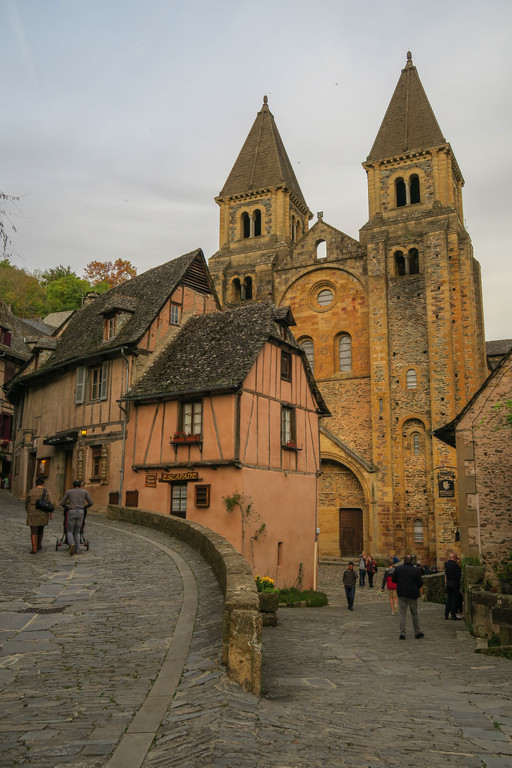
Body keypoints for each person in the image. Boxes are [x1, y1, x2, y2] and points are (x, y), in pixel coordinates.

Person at [392, 554, 424, 640]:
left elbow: (393, 580)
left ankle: (402, 634)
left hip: (402, 594)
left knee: (402, 613)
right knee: (414, 613)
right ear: (412, 561)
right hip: (412, 594)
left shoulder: (398, 569)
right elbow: (420, 582)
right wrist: (415, 587)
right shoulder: (415, 570)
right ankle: (417, 632)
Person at [60, 480, 93, 555]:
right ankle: (77, 550)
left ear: (73, 485)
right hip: (81, 512)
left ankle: (71, 543)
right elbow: (91, 503)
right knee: (77, 531)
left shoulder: (69, 492)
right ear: (80, 485)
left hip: (72, 511)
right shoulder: (85, 492)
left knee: (69, 530)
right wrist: (84, 507)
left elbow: (62, 503)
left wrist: (67, 507)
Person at [25, 478, 54, 554]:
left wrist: (28, 510)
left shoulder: (31, 491)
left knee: (33, 530)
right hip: (43, 512)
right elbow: (51, 502)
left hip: (32, 511)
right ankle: (39, 545)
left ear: (36, 484)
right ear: (43, 484)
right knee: (41, 529)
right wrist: (51, 513)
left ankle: (34, 548)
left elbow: (27, 502)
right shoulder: (47, 491)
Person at [444, 552, 462, 620]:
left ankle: (446, 614)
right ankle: (453, 615)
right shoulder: (455, 565)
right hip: (455, 584)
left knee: (449, 599)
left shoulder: (446, 564)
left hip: (448, 584)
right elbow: (458, 575)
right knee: (454, 600)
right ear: (455, 558)